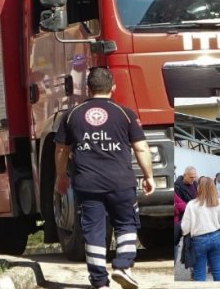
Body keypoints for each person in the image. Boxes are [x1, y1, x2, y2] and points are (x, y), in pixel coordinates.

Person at [55, 67, 154, 289]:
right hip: (121, 182)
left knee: (93, 231)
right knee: (126, 223)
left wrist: (60, 176)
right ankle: (122, 266)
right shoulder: (125, 113)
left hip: (87, 184)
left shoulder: (71, 115)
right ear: (113, 88)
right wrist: (149, 176)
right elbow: (141, 148)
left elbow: (61, 150)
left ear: (87, 89)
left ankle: (99, 282)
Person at [180, 177, 220, 282]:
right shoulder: (217, 202)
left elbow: (185, 228)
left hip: (198, 241)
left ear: (199, 188)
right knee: (217, 270)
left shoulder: (191, 205)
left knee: (199, 273)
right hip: (216, 237)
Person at [174, 190, 187, 262]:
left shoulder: (173, 194)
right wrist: (176, 209)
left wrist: (175, 205)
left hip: (175, 227)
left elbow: (184, 205)